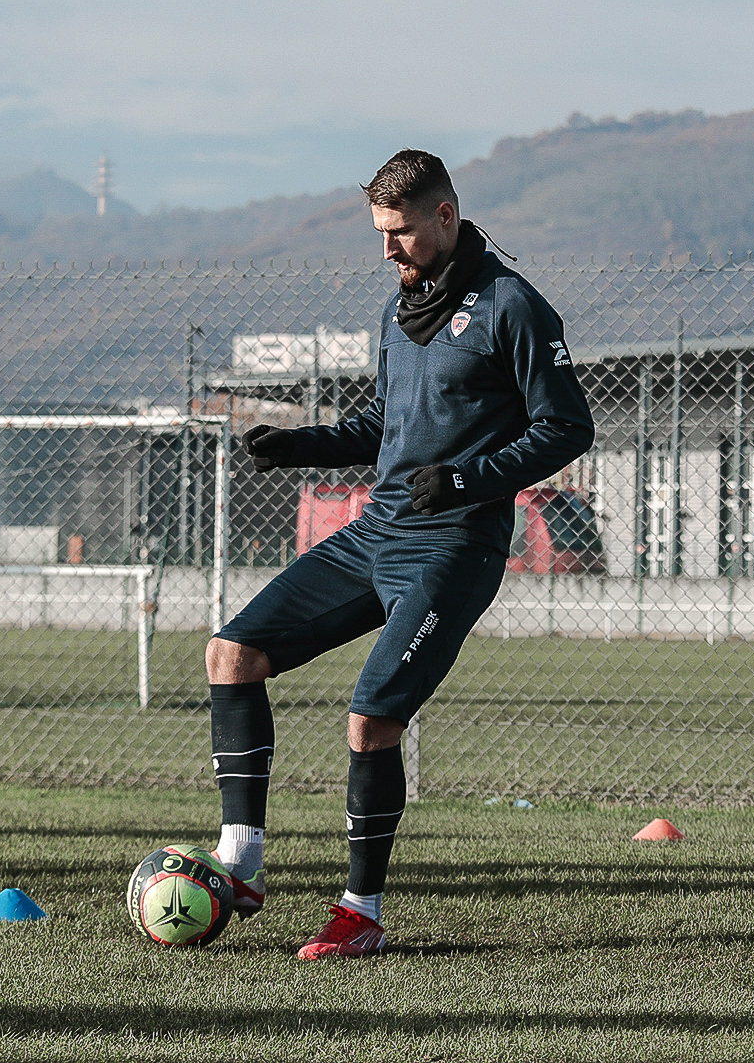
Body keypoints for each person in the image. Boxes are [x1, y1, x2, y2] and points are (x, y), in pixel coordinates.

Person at [208, 149, 595, 958]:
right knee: (232, 654)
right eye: (380, 234)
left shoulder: (512, 308)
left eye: (402, 232)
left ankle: (361, 912)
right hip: (376, 533)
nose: (388, 249)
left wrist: (463, 484)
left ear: (446, 218)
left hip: (454, 547)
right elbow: (379, 428)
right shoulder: (398, 313)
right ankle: (241, 864)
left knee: (372, 718)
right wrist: (298, 445)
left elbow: (567, 428)